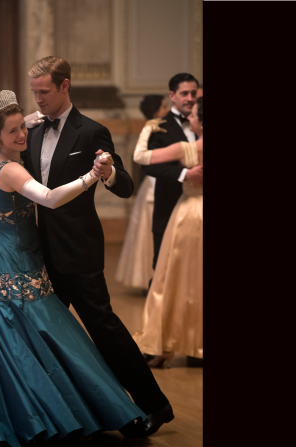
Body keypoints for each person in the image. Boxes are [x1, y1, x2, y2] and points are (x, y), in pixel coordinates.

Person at [0, 90, 145, 447]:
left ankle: (53, 405)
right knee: (40, 336)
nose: (21, 136)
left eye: (22, 128)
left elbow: (26, 124)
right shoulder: (12, 167)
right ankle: (47, 410)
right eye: (12, 131)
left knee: (39, 336)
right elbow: (49, 198)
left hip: (16, 254)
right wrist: (92, 176)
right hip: (13, 260)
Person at [0, 56, 173, 438]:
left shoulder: (91, 132)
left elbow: (124, 186)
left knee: (104, 330)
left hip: (78, 250)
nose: (38, 100)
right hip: (34, 253)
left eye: (44, 92)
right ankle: (62, 413)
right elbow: (6, 171)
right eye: (33, 92)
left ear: (65, 86)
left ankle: (156, 405)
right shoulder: (29, 131)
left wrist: (108, 172)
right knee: (49, 337)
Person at [132, 97, 203, 369]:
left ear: (199, 121)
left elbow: (141, 156)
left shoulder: (187, 149)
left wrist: (149, 128)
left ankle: (164, 344)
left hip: (189, 217)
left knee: (174, 280)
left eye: (194, 114)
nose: (190, 117)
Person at [143, 73, 203, 275]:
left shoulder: (200, 121)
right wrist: (185, 174)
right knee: (164, 270)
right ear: (172, 96)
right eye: (184, 93)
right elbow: (147, 166)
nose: (190, 98)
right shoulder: (158, 126)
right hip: (169, 207)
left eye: (193, 93)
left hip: (199, 210)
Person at [114, 94, 169, 290]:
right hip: (155, 184)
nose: (167, 109)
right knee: (150, 232)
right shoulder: (154, 130)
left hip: (159, 182)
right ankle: (151, 277)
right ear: (155, 111)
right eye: (164, 106)